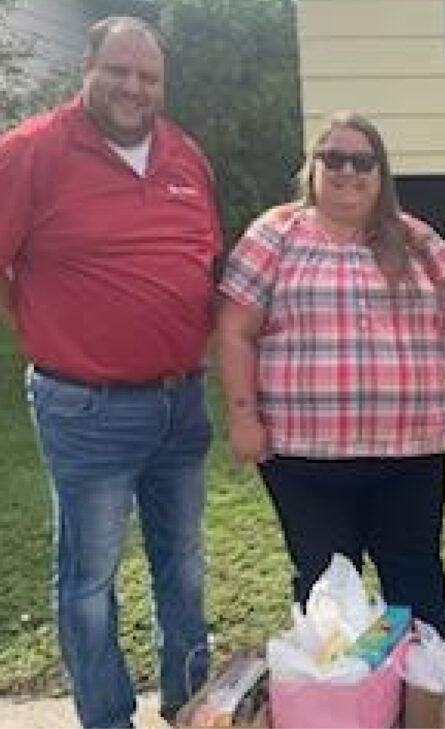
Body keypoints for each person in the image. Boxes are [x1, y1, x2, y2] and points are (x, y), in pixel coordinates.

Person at [0, 16, 219, 728]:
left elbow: (204, 263)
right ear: (86, 68)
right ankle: (106, 716)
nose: (134, 87)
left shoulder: (185, 155)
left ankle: (192, 705)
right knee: (90, 580)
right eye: (119, 71)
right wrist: (46, 328)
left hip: (181, 404)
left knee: (182, 569)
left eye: (148, 76)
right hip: (86, 409)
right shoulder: (30, 153)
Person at [217, 111, 445, 638]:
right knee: (326, 591)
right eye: (334, 158)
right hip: (304, 460)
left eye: (362, 161)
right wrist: (243, 416)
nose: (348, 171)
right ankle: (338, 705)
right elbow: (234, 331)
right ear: (313, 167)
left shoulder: (418, 241)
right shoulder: (274, 234)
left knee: (415, 585)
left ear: (381, 172)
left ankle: (424, 705)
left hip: (408, 455)